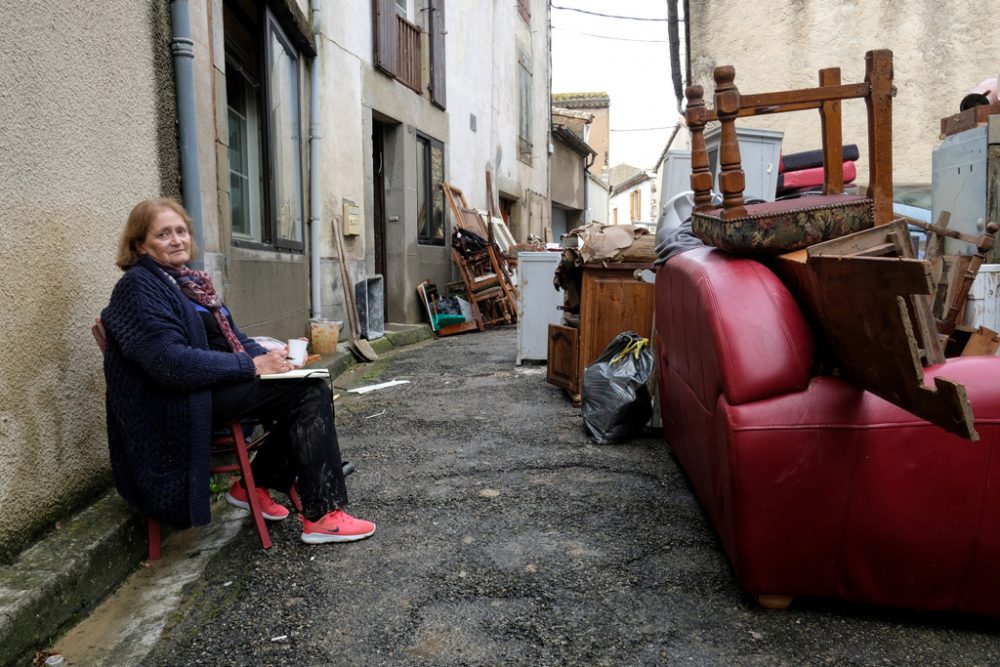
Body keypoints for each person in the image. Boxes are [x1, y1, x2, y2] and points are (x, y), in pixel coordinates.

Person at [100, 198, 374, 544]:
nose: (176, 240)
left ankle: (252, 486)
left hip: (206, 387)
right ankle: (321, 514)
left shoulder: (187, 284)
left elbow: (235, 339)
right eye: (163, 234)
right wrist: (252, 365)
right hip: (176, 403)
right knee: (307, 393)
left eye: (181, 231)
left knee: (308, 382)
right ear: (140, 245)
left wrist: (280, 358)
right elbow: (168, 362)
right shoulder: (139, 287)